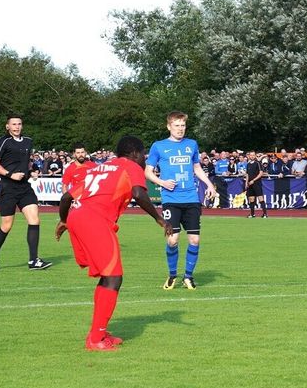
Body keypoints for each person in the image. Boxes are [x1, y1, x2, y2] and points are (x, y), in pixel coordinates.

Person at [56, 136, 172, 351]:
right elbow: (139, 193)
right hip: (94, 220)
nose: (144, 158)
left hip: (77, 216)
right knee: (114, 277)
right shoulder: (130, 166)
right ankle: (96, 339)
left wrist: (64, 220)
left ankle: (98, 332)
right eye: (143, 154)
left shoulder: (100, 167)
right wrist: (159, 218)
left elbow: (66, 198)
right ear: (135, 154)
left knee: (108, 276)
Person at [146, 112, 217, 290]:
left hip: (191, 198)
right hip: (171, 200)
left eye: (183, 125)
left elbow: (197, 168)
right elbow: (147, 172)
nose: (180, 129)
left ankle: (188, 276)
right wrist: (162, 182)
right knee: (173, 240)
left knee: (194, 240)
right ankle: (172, 275)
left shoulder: (191, 144)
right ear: (169, 126)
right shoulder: (158, 146)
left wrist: (209, 184)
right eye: (177, 125)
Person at [0, 115, 53, 271]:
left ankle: (33, 260)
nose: (17, 127)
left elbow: (24, 164)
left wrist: (31, 172)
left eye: (19, 124)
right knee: (6, 225)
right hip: (8, 187)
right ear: (7, 126)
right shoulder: (3, 141)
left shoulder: (28, 141)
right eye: (13, 124)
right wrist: (10, 174)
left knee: (34, 219)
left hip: (24, 187)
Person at [244, 150, 264, 218]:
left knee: (260, 198)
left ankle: (265, 214)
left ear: (255, 156)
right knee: (251, 199)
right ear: (249, 156)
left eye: (253, 155)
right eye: (251, 155)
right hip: (250, 184)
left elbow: (261, 173)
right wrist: (246, 183)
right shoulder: (248, 164)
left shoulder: (258, 163)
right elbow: (247, 174)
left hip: (257, 183)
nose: (252, 156)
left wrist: (253, 180)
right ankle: (252, 214)